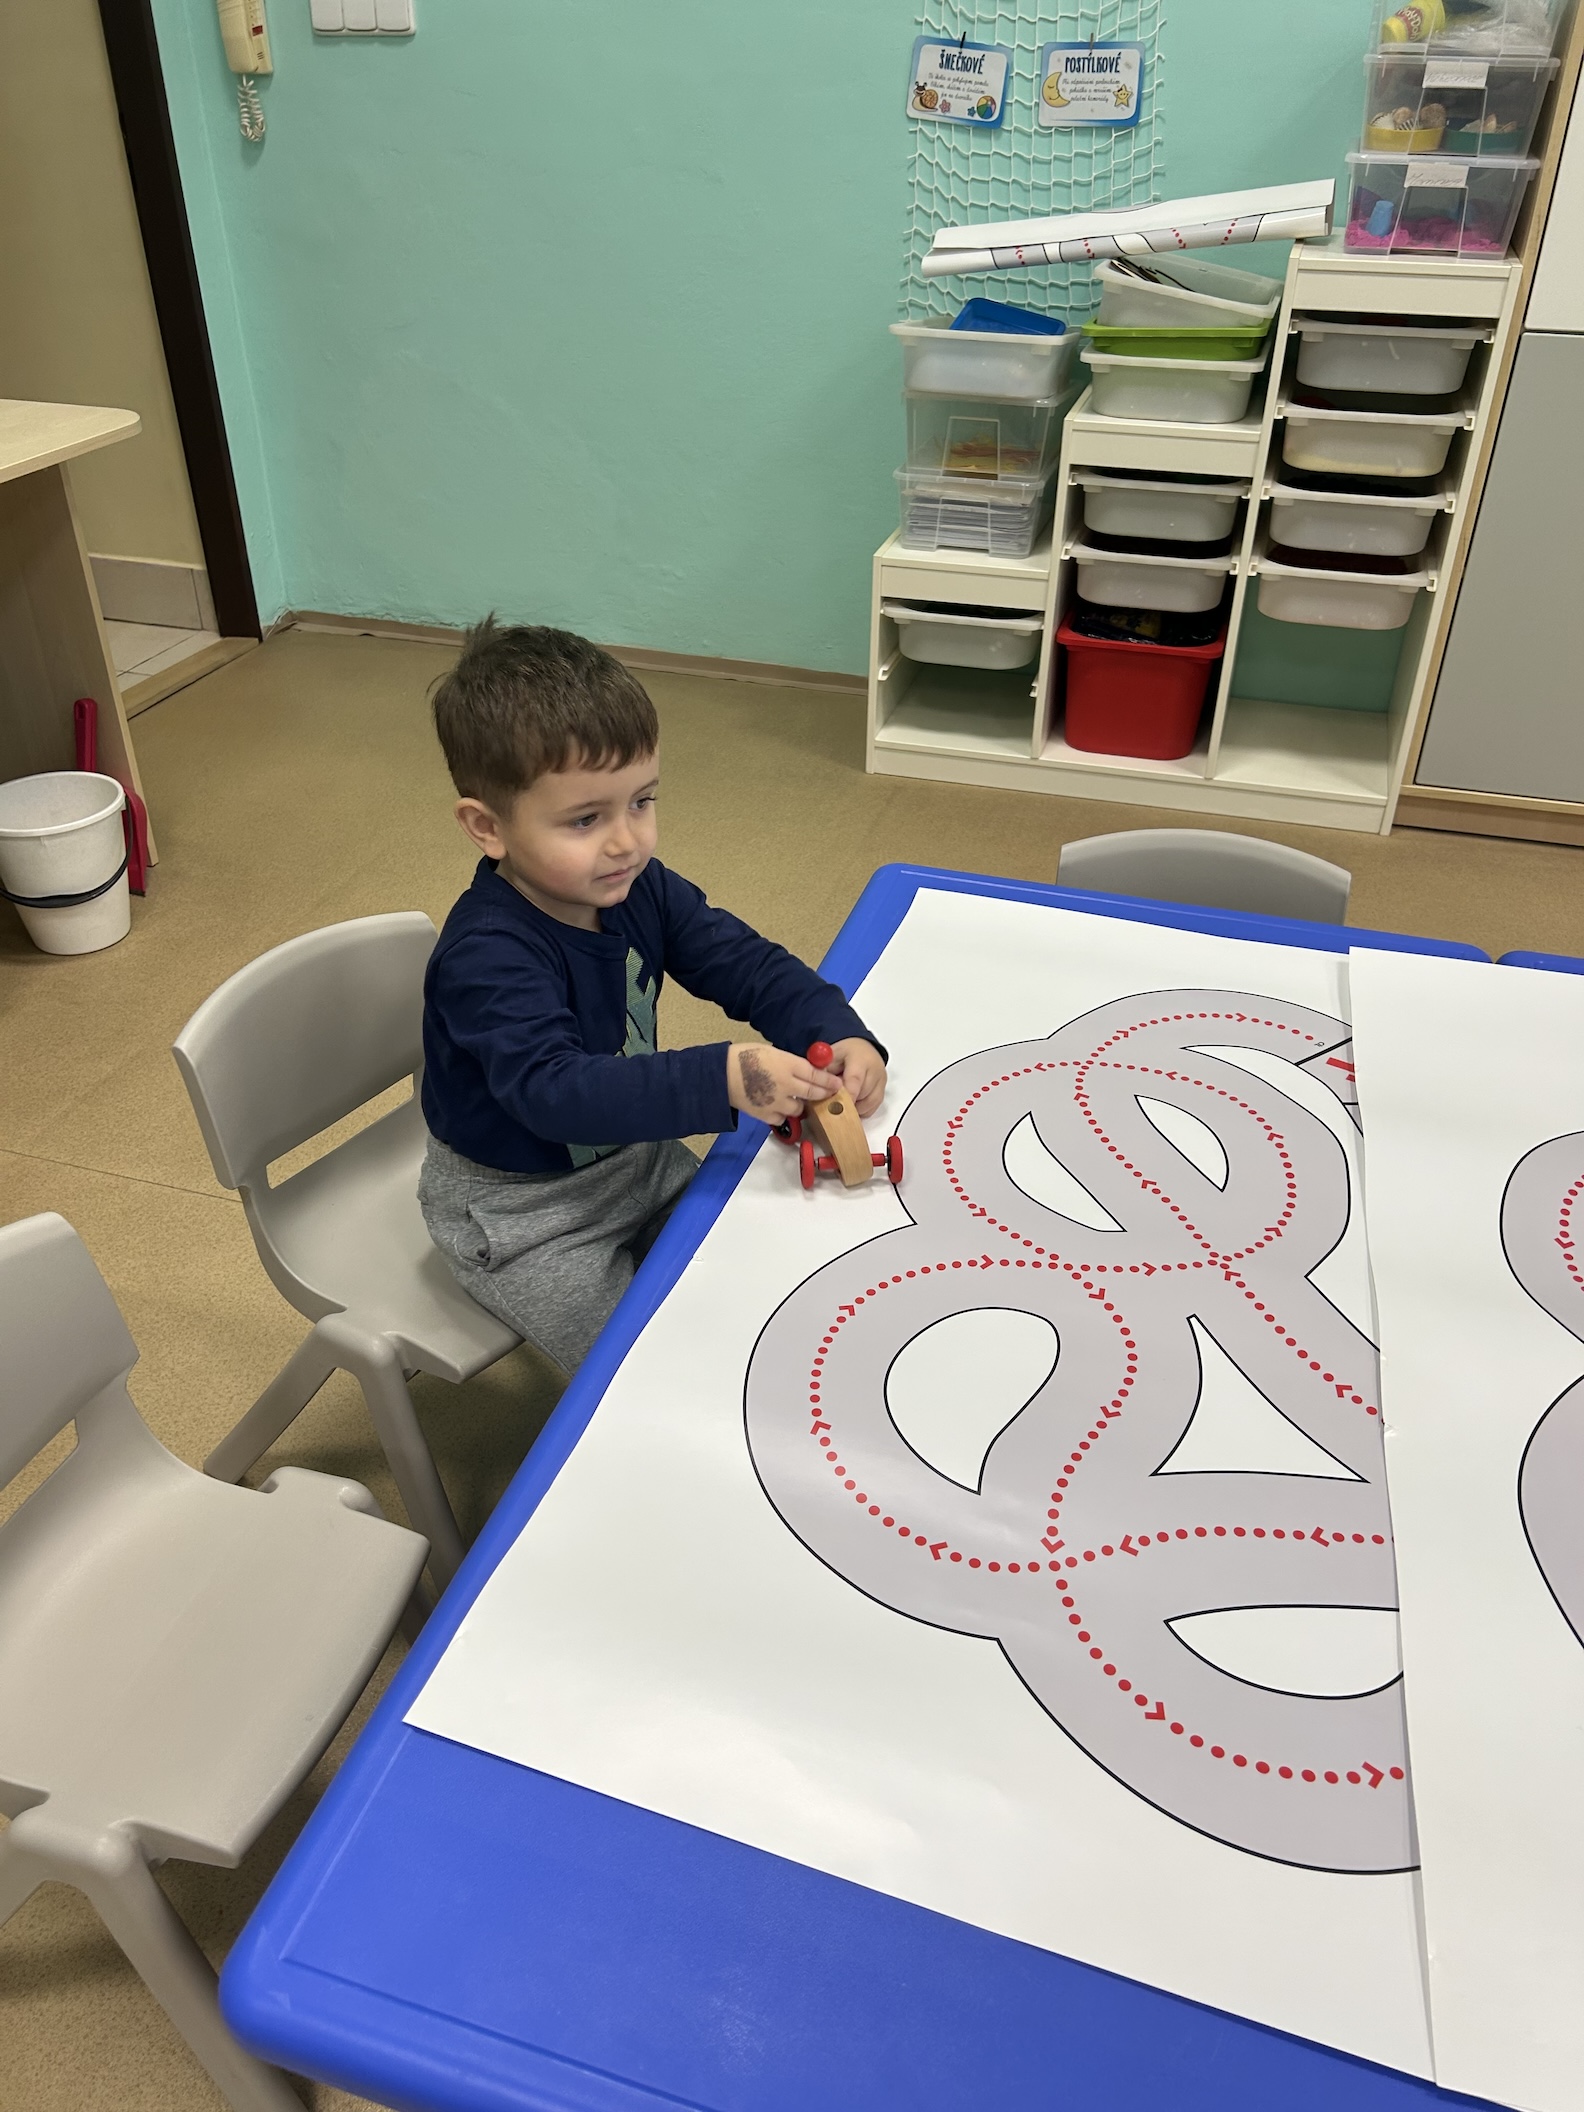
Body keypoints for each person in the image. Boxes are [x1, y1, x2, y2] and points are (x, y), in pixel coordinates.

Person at [418, 617, 889, 1375]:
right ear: (487, 827)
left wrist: (838, 1030)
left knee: (752, 1282)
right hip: (524, 1213)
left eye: (641, 802)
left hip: (633, 1160)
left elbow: (744, 962)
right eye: (585, 819)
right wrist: (721, 1076)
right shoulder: (487, 956)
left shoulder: (638, 887)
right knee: (645, 1370)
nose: (626, 841)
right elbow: (555, 1094)